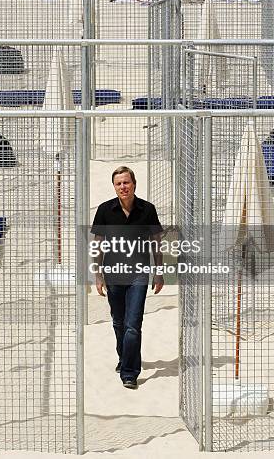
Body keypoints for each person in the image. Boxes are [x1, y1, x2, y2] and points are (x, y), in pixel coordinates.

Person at [91, 166, 164, 390]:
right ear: (114, 187)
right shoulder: (104, 210)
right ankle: (125, 357)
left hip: (138, 275)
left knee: (133, 325)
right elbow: (98, 244)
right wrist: (97, 274)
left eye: (126, 182)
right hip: (113, 274)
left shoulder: (148, 210)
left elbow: (156, 243)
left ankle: (129, 372)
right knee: (119, 322)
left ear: (134, 184)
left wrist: (158, 272)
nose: (123, 187)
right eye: (118, 183)